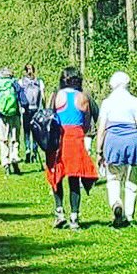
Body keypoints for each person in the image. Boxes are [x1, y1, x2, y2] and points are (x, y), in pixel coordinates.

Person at [45, 66, 99, 230]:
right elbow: (88, 120)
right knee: (74, 178)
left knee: (56, 174)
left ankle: (59, 211)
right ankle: (74, 216)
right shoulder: (83, 97)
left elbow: (48, 115)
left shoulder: (56, 95)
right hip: (76, 138)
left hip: (59, 137)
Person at [97, 70, 137, 227]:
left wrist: (99, 151)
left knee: (113, 178)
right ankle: (129, 215)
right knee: (131, 179)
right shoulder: (135, 101)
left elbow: (101, 129)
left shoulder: (107, 103)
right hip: (132, 142)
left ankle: (116, 204)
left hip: (113, 142)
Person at [0, 69, 24, 174]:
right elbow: (23, 100)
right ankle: (14, 157)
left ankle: (6, 163)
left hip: (1, 116)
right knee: (15, 138)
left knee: (3, 140)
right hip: (14, 115)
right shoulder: (15, 84)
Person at [18, 63, 46, 163]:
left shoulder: (21, 82)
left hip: (26, 110)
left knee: (27, 131)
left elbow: (19, 96)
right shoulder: (39, 82)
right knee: (35, 131)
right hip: (36, 109)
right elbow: (43, 96)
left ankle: (27, 150)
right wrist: (44, 108)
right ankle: (34, 151)